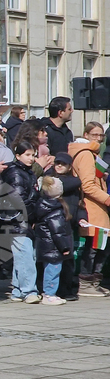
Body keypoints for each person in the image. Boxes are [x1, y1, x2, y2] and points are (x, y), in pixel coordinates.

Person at [70, 121, 110, 291]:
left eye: (101, 135)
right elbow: (87, 185)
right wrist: (108, 199)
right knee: (94, 247)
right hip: (92, 205)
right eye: (94, 135)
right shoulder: (86, 154)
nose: (99, 138)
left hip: (97, 206)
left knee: (99, 245)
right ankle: (86, 283)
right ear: (85, 135)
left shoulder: (93, 154)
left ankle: (93, 281)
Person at [1, 142, 42, 304]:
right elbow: (19, 200)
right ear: (18, 156)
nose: (31, 158)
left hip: (23, 218)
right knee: (24, 255)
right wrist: (33, 216)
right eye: (27, 155)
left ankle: (18, 290)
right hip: (16, 219)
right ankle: (28, 290)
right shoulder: (16, 173)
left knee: (24, 254)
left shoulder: (27, 172)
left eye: (33, 155)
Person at [47, 152, 86, 300]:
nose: (59, 166)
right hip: (52, 225)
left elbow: (80, 205)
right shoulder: (50, 180)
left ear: (69, 166)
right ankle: (50, 290)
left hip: (68, 225)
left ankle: (66, 290)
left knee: (68, 259)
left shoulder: (74, 184)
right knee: (52, 259)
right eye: (57, 163)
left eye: (63, 164)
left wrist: (81, 218)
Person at [34, 176, 73, 305]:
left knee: (48, 269)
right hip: (54, 248)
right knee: (53, 271)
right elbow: (58, 232)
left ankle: (47, 292)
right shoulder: (55, 211)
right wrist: (64, 247)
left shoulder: (44, 206)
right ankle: (49, 294)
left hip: (46, 245)